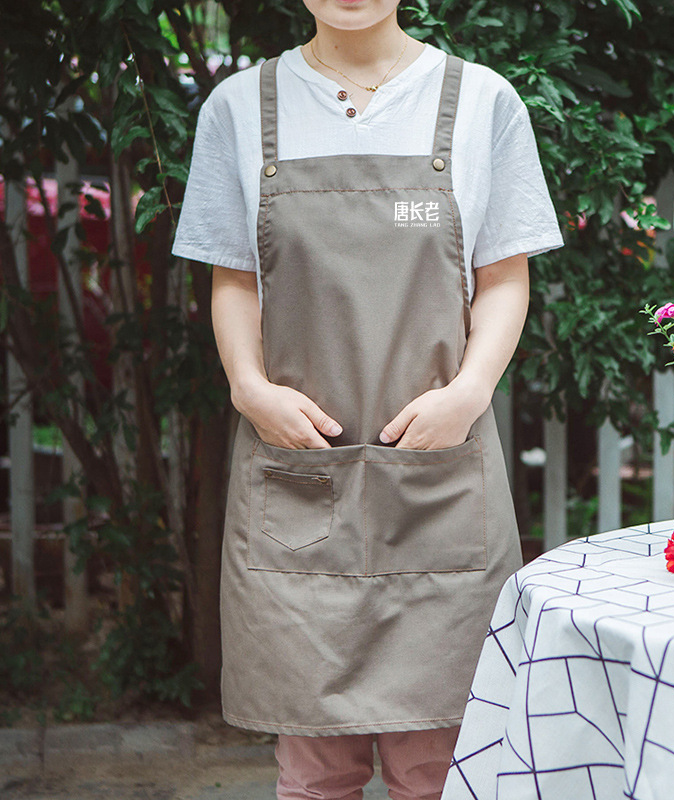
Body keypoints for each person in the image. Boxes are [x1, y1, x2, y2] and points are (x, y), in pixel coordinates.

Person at [171, 0, 563, 797]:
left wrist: (470, 390)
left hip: (438, 472)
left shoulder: (484, 101)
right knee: (315, 768)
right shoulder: (241, 108)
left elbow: (504, 276)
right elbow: (233, 279)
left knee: (437, 766)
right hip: (300, 469)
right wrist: (250, 389)